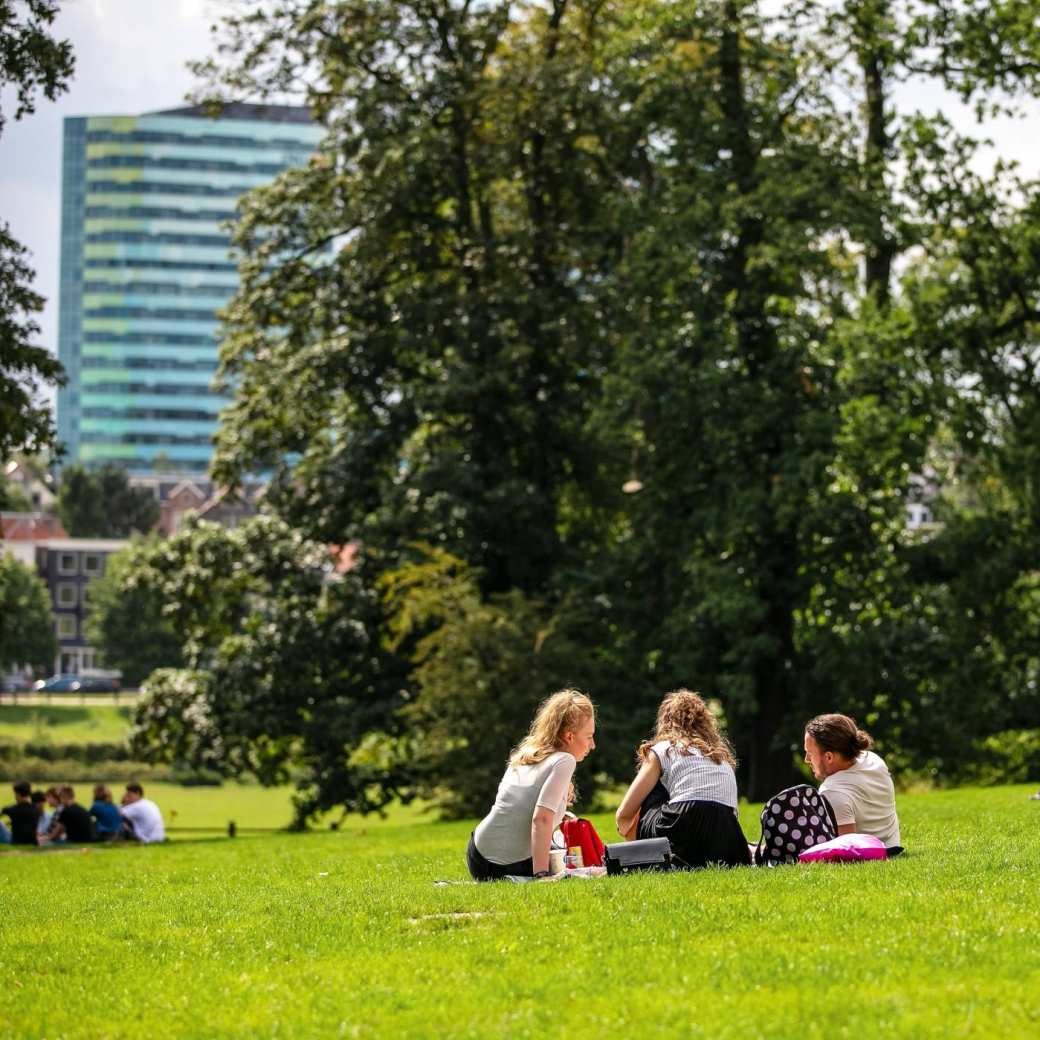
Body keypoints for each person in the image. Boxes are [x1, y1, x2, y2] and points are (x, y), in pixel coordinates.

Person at [467, 689, 596, 881]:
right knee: (587, 868)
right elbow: (541, 820)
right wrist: (541, 875)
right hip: (508, 865)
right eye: (589, 736)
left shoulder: (527, 753)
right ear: (569, 736)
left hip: (477, 855)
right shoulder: (564, 760)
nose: (592, 745)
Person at [615, 689, 751, 870]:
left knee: (654, 784)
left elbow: (624, 814)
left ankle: (644, 856)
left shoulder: (664, 749)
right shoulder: (722, 758)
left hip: (680, 826)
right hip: (726, 837)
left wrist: (627, 833)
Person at [803, 713, 901, 849]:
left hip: (871, 854)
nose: (807, 759)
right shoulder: (873, 759)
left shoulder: (832, 792)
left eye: (810, 753)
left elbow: (847, 850)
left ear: (829, 757)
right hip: (893, 846)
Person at [1, 781, 39, 846]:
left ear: (17, 794)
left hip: (16, 841)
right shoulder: (35, 808)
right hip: (33, 841)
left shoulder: (11, 809)